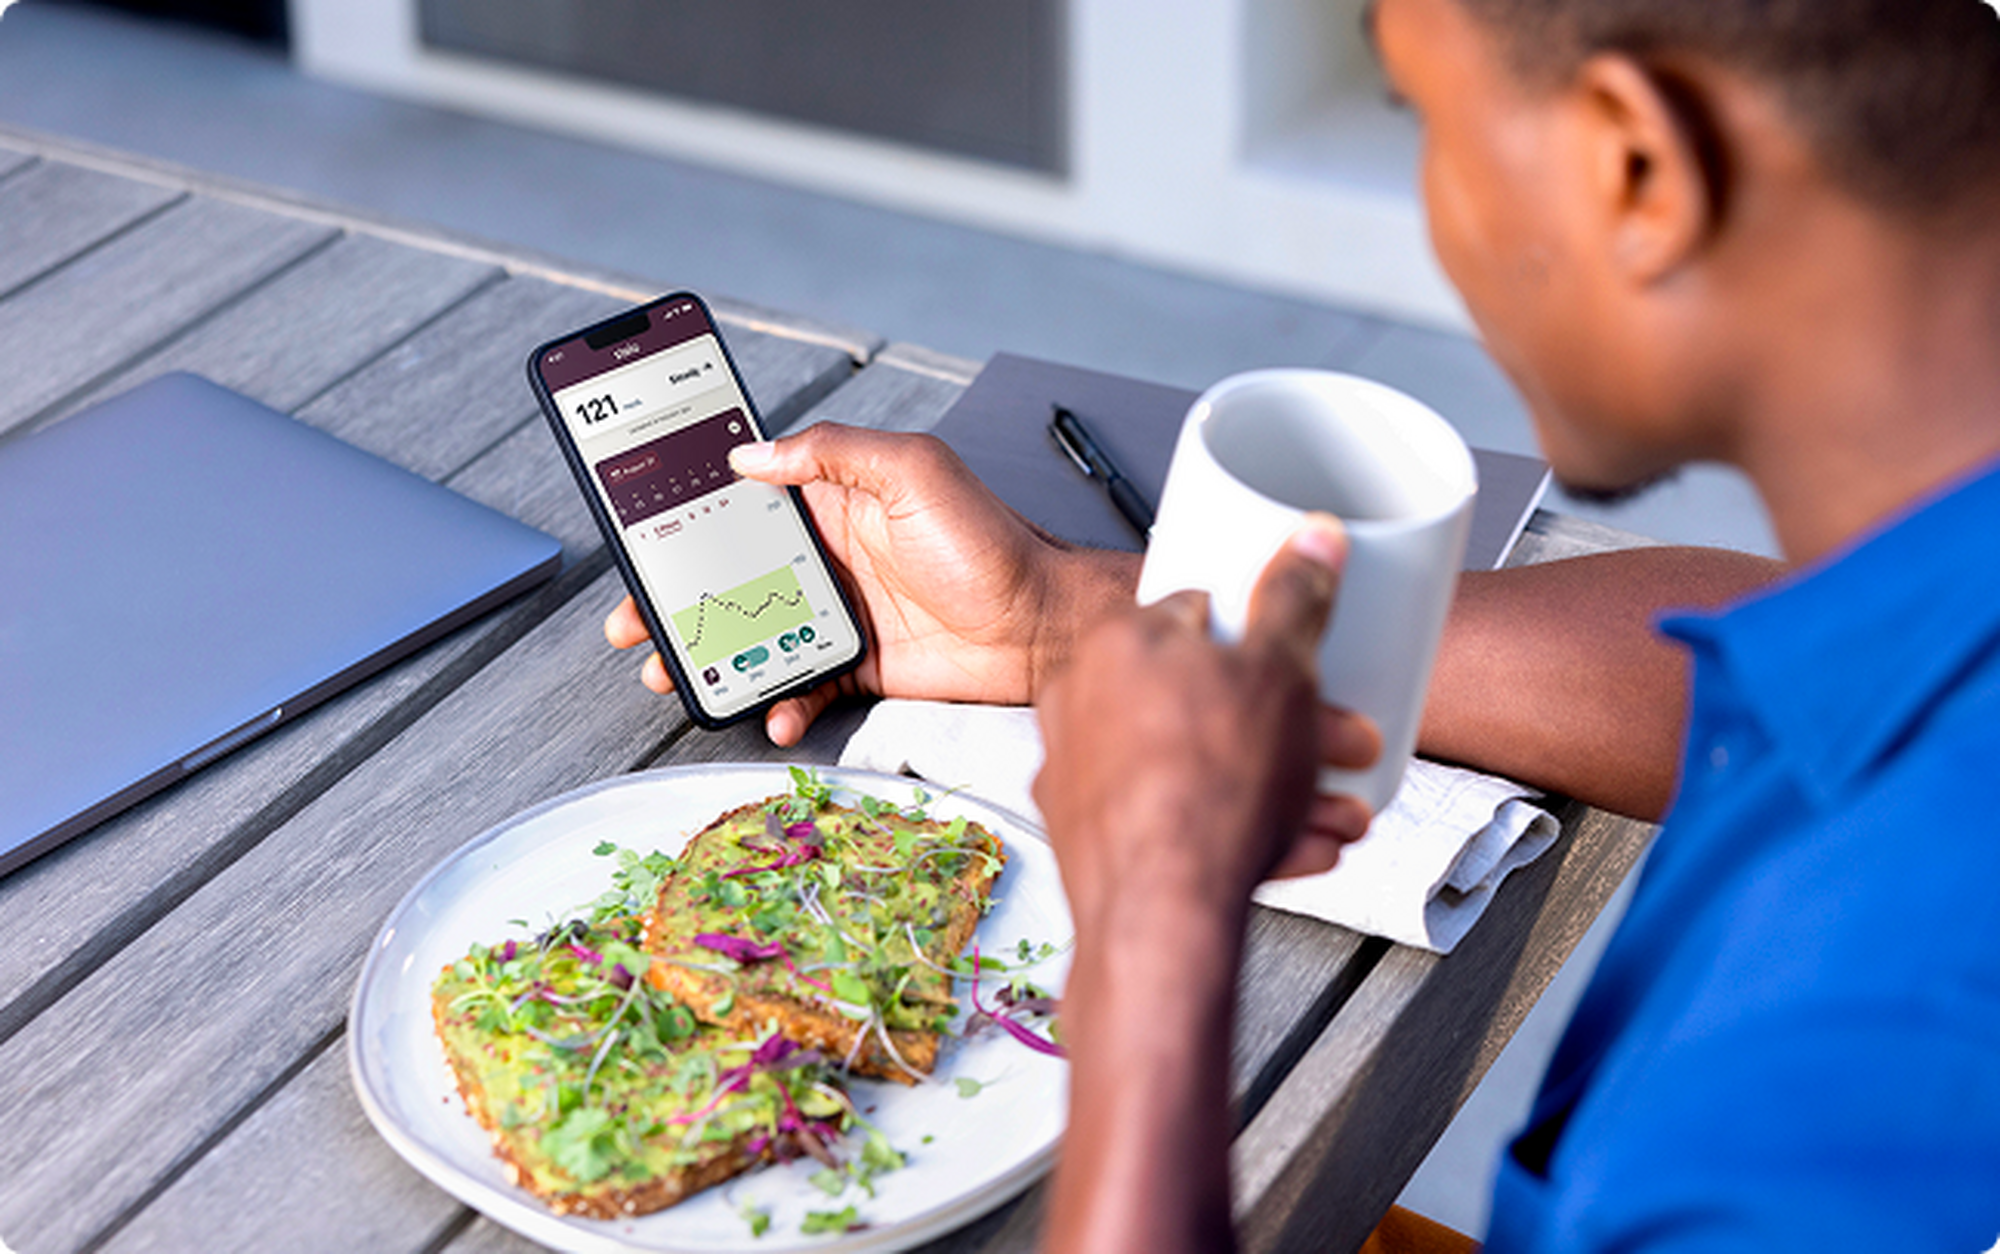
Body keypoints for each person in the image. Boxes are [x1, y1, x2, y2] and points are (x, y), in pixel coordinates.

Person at [608, 0, 2000, 1246]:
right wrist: (1070, 618)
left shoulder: (1828, 1105)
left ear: (1633, 164)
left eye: (1428, 122)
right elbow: (1771, 673)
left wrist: (1157, 925)